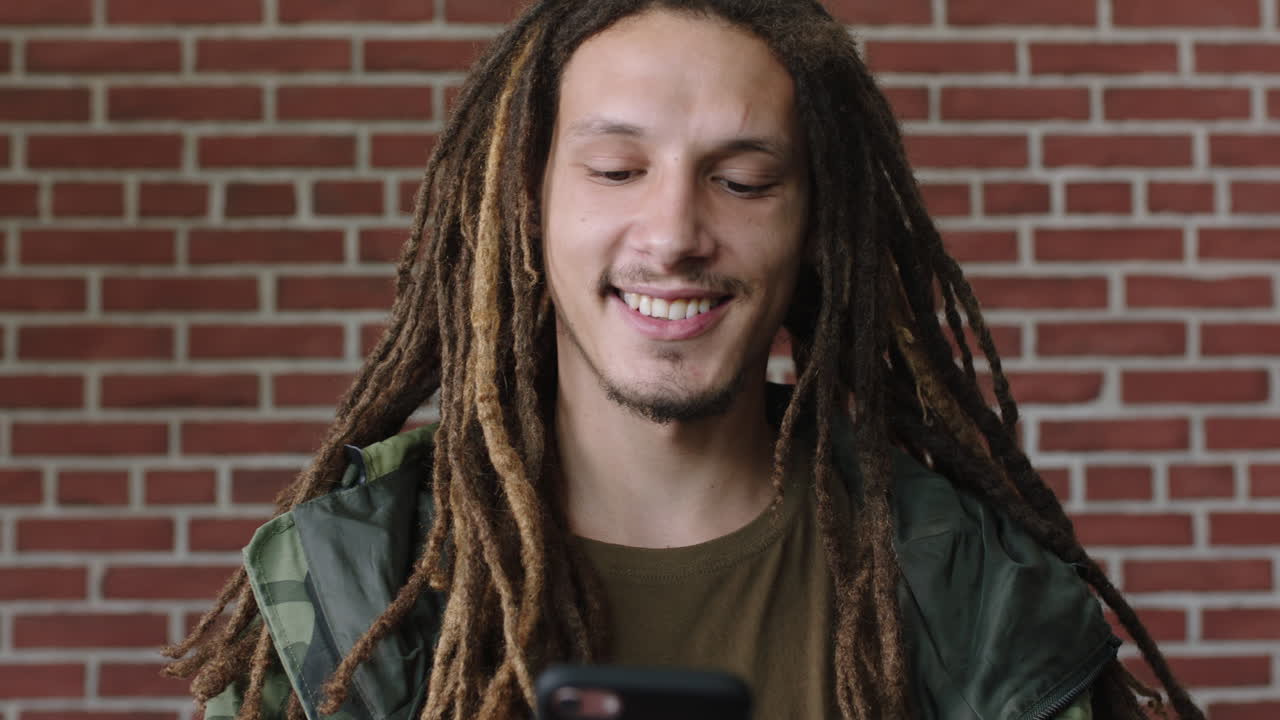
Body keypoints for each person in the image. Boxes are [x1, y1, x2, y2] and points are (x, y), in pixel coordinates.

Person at [164, 2, 1204, 719]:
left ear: (813, 228)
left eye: (744, 182)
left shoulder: (967, 593)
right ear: (524, 208)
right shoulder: (352, 579)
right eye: (615, 169)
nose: (672, 232)